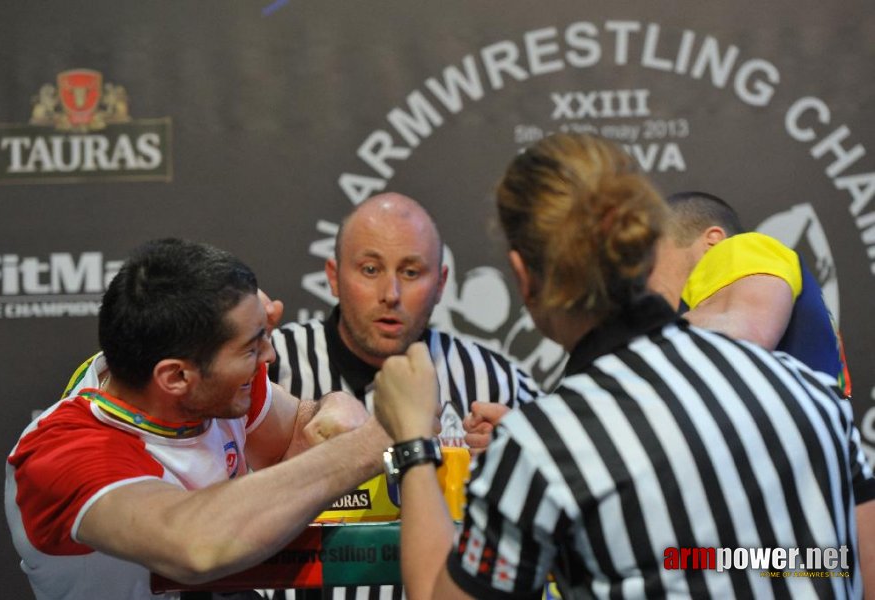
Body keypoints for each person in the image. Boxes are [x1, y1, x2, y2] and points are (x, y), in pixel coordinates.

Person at [373, 133, 875, 598]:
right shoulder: (814, 396)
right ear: (645, 252)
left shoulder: (546, 448)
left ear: (524, 277)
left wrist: (414, 443)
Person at [5, 238, 390, 600]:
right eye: (251, 348)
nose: (268, 357)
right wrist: (375, 440)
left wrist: (334, 407)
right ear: (175, 377)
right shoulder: (65, 453)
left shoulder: (211, 387)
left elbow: (293, 440)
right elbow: (194, 546)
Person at [269, 192, 540, 599]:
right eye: (370, 269)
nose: (391, 293)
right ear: (333, 275)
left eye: (411, 272)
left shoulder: (497, 383)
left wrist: (516, 462)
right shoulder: (271, 367)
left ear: (442, 283)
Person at [648, 190, 851, 396]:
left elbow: (737, 338)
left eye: (653, 258)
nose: (646, 277)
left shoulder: (740, 249)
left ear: (713, 240)